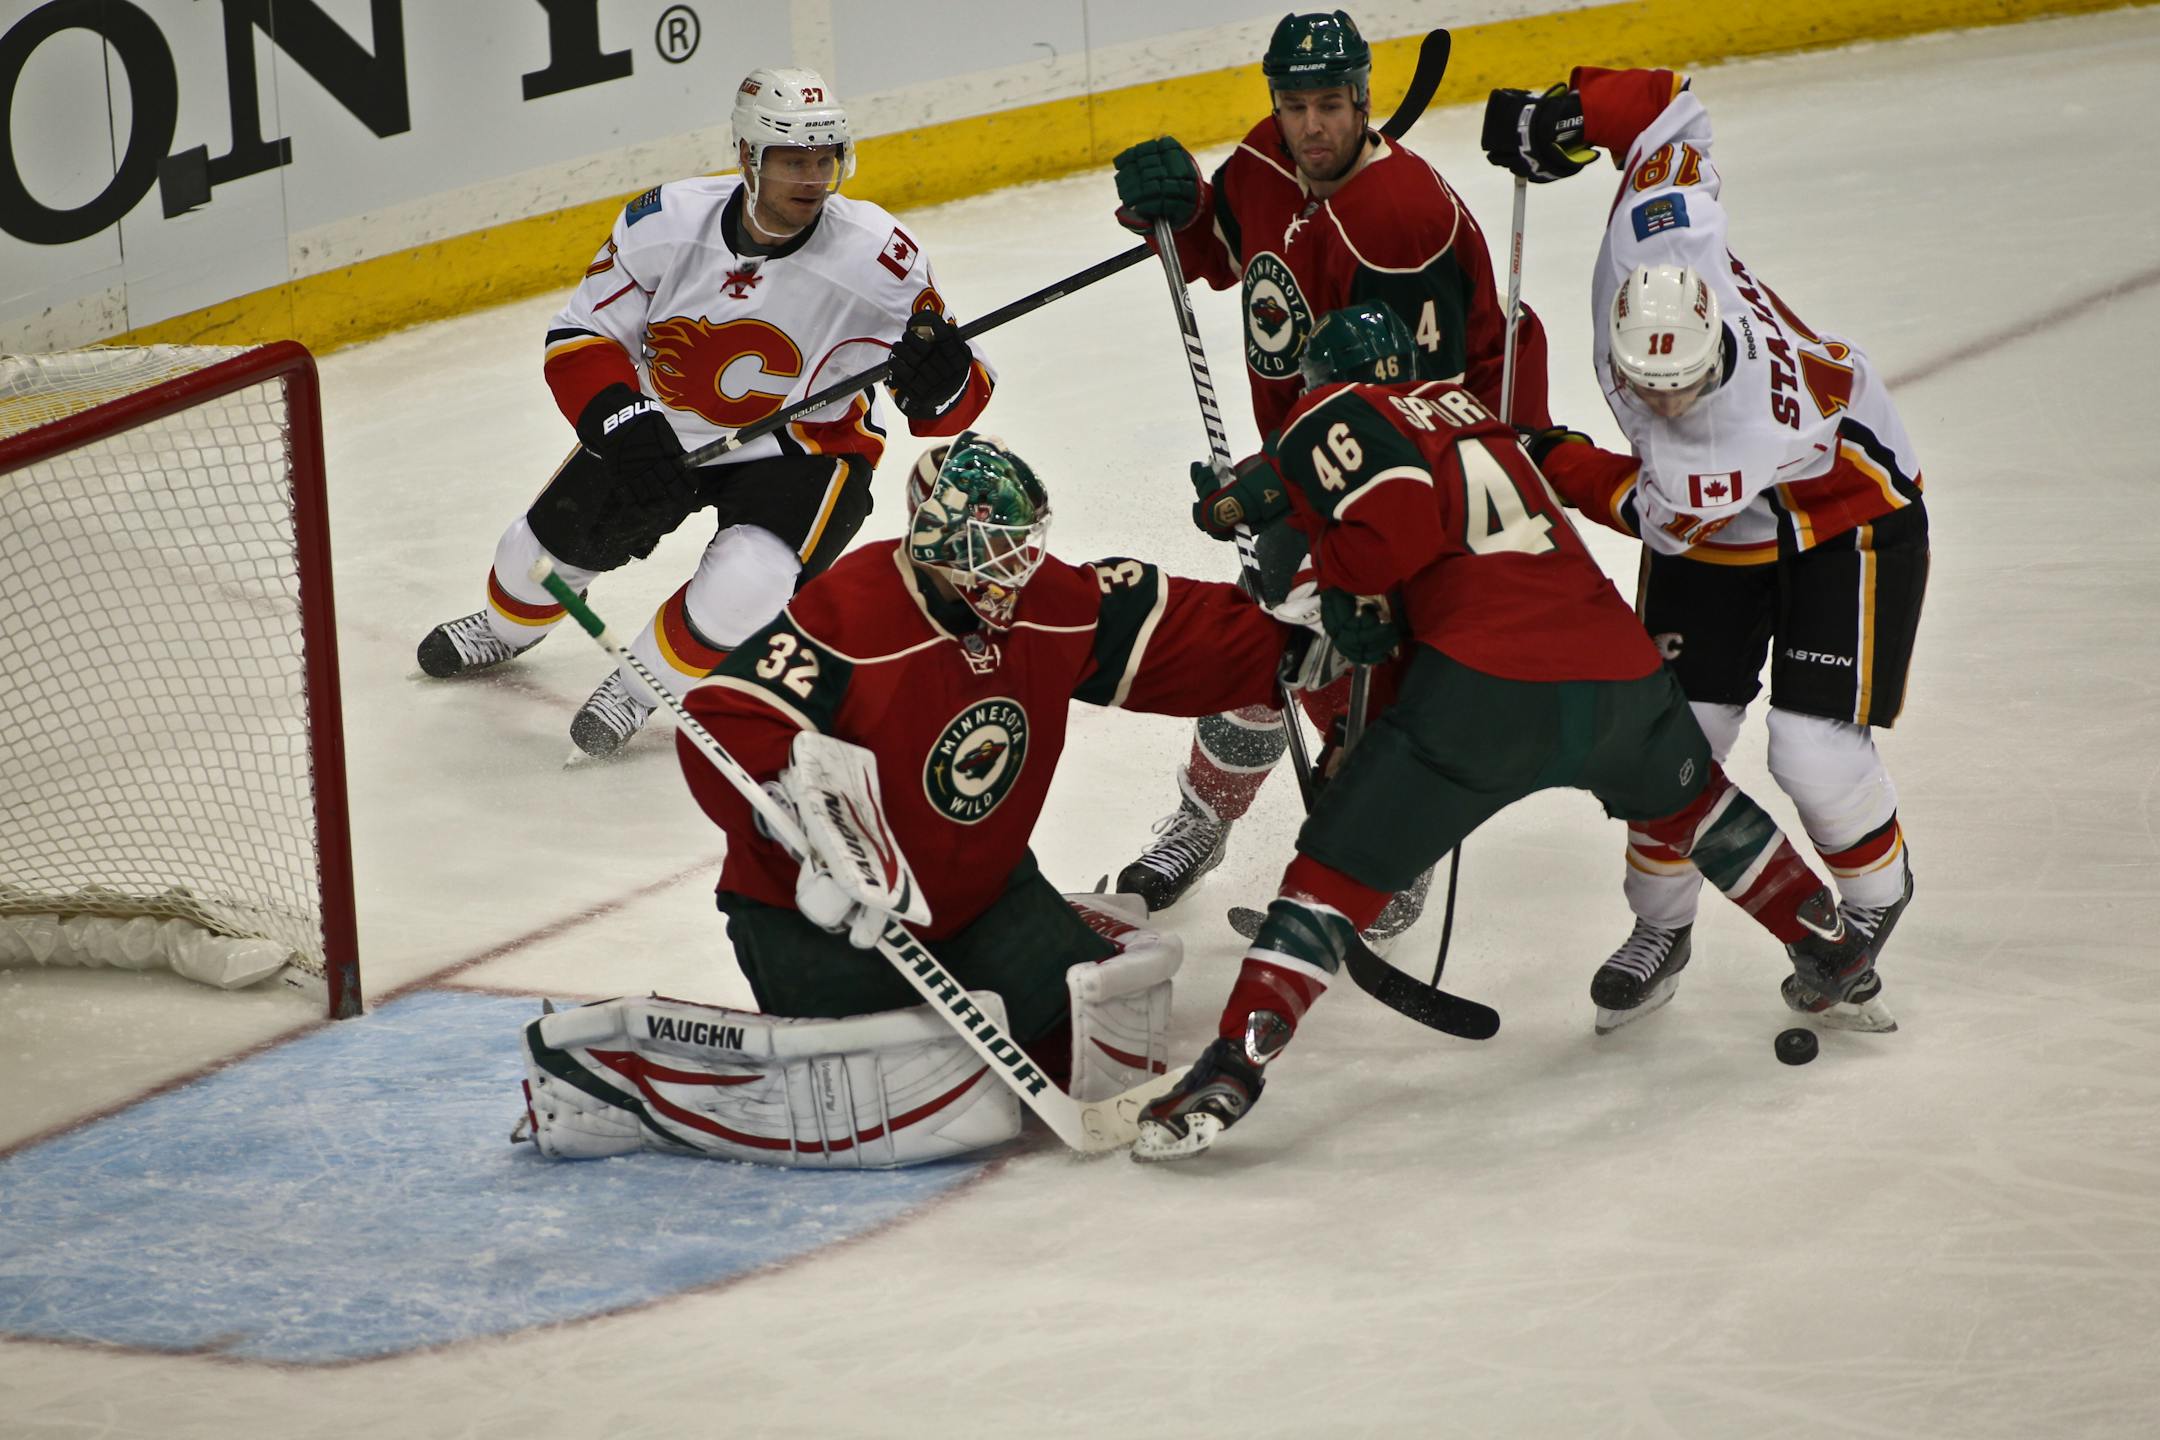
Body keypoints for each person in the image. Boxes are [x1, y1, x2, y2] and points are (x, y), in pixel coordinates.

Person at [1132, 305, 1886, 1162]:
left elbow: (1380, 538)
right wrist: (1268, 492)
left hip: (1483, 697)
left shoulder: (1329, 410)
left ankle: (1236, 1063)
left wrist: (1328, 573)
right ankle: (1831, 949)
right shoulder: (1466, 411)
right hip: (1618, 674)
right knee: (1700, 809)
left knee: (1328, 881)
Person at [518, 435, 1344, 1166]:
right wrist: (802, 838)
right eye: (992, 558)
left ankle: (1046, 936)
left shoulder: (1042, 603)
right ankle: (618, 1085)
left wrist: (1301, 642)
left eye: (1022, 552)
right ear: (940, 546)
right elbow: (729, 715)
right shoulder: (851, 616)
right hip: (814, 916)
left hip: (981, 897)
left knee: (1081, 1038)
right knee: (899, 1086)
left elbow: (1162, 631)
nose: (1013, 578)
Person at [1481, 67, 1924, 1032]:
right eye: (1647, 387)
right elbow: (1669, 106)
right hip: (1743, 512)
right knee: (1676, 738)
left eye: (1677, 393)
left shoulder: (1710, 457)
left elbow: (1650, 512)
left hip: (1848, 508)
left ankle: (1875, 900)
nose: (1661, 404)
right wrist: (1567, 114)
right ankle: (1663, 928)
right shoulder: (1662, 237)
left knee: (1809, 750)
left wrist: (1551, 456)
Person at [1105, 10, 1554, 934]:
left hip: (1434, 472)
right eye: (1293, 105)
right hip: (1317, 455)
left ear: (1363, 101)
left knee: (1337, 637)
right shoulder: (1270, 159)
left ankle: (1390, 851)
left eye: (1328, 107)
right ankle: (1204, 821)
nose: (1309, 127)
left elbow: (1407, 421)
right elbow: (1228, 256)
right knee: (1267, 622)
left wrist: (1273, 483)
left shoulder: (1402, 224)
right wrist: (1179, 210)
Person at [416, 67, 994, 758]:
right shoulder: (666, 223)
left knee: (749, 585)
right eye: (792, 161)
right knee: (527, 559)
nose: (812, 179)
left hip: (801, 453)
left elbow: (949, 401)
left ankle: (638, 687)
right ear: (748, 156)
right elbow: (580, 338)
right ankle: (507, 629)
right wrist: (620, 420)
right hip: (667, 435)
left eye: (824, 160)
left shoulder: (878, 258)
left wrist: (942, 380)